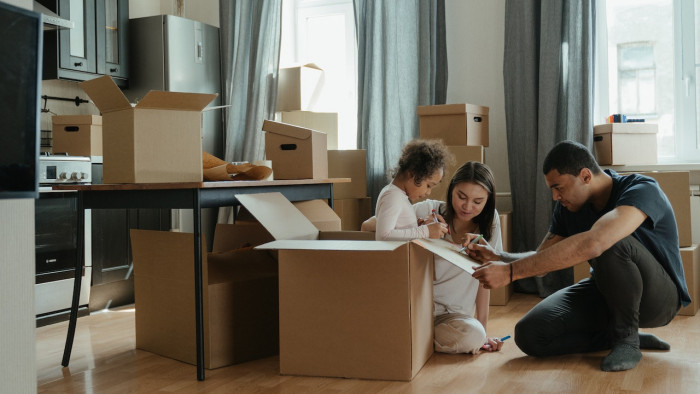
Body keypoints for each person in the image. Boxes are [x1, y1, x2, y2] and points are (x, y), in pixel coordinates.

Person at [468, 140, 690, 371]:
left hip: (659, 300)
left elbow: (596, 242)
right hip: (607, 292)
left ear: (585, 176)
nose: (555, 197)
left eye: (559, 187)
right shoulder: (568, 208)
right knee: (530, 334)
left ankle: (627, 340)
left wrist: (510, 273)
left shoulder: (642, 189)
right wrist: (500, 258)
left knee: (609, 241)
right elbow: (542, 259)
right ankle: (615, 336)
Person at [365, 161, 507, 353]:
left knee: (474, 336)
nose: (467, 206)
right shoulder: (429, 210)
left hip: (453, 317)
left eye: (477, 202)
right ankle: (413, 337)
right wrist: (419, 227)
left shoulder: (491, 224)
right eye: (461, 196)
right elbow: (368, 226)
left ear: (488, 201)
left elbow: (485, 279)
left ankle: (410, 338)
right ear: (451, 191)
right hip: (416, 308)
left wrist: (483, 330)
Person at [374, 139, 451, 241]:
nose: (428, 192)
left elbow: (398, 232)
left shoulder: (398, 195)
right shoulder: (393, 196)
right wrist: (425, 231)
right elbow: (383, 236)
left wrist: (417, 228)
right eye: (428, 185)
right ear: (412, 173)